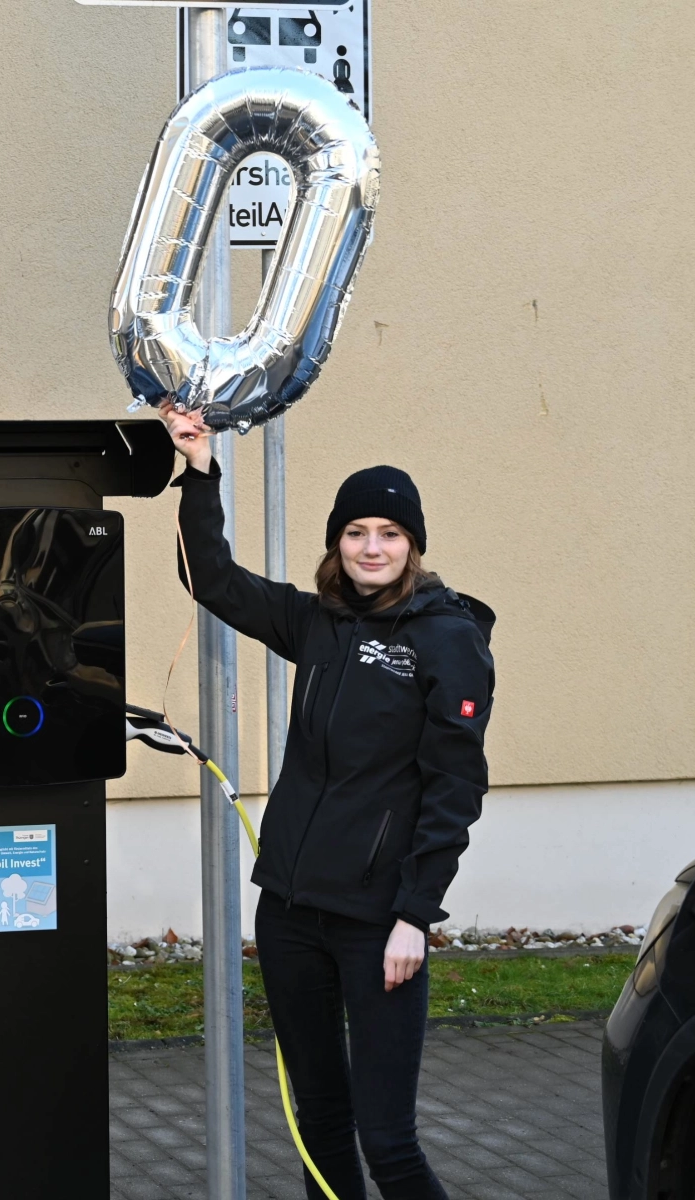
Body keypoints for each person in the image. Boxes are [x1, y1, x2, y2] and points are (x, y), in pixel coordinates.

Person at [161, 405, 495, 1200]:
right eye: (355, 533)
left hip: (379, 922)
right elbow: (209, 578)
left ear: (413, 545)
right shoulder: (319, 622)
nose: (371, 548)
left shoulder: (445, 640)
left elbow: (455, 789)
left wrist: (416, 914)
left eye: (388, 533)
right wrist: (201, 471)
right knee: (320, 1123)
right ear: (336, 544)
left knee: (388, 1140)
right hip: (289, 910)